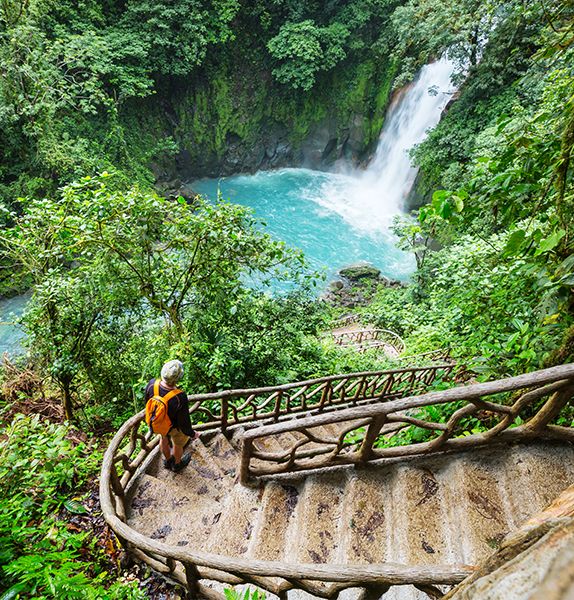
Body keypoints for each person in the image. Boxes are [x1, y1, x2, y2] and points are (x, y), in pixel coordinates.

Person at [145, 360, 199, 472]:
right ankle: (177, 464)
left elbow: (148, 402)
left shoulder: (152, 384)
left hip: (159, 423)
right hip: (174, 427)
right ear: (178, 378)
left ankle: (168, 460)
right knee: (178, 444)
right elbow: (184, 421)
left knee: (163, 438)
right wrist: (192, 433)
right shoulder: (180, 397)